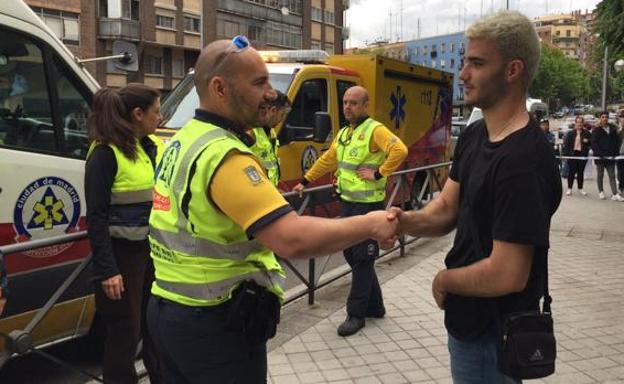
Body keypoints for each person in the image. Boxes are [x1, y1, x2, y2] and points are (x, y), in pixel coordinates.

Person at [146, 36, 398, 384]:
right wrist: (369, 223)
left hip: (169, 310)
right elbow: (291, 239)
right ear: (220, 88)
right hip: (214, 326)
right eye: (259, 82)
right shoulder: (224, 155)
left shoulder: (185, 138)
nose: (270, 94)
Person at [384, 11, 562, 383]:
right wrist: (401, 221)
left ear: (512, 71)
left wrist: (445, 280)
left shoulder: (523, 160)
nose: (463, 74)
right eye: (465, 62)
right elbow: (448, 207)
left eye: (477, 63)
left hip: (495, 335)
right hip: (466, 325)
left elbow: (508, 273)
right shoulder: (476, 134)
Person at [292, 85, 408, 337]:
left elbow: (400, 149)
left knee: (362, 258)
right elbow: (328, 160)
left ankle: (356, 315)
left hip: (368, 207)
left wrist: (378, 172)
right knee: (355, 257)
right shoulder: (345, 133)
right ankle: (375, 307)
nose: (348, 107)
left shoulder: (374, 130)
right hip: (348, 203)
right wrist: (305, 180)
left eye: (354, 103)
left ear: (365, 106)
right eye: (345, 102)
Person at [85, 84, 164, 384]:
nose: (161, 117)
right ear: (138, 114)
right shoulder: (105, 154)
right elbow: (96, 217)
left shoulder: (143, 147)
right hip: (121, 258)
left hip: (148, 252)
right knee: (124, 335)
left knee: (154, 326)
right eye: (156, 111)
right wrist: (108, 271)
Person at [250, 89, 291, 186]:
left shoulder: (271, 132)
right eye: (282, 115)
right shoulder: (250, 132)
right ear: (273, 111)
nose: (282, 120)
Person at [591, 111, 623, 201]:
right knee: (600, 175)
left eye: (606, 117)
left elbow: (617, 142)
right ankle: (601, 192)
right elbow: (594, 144)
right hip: (600, 157)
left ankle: (615, 194)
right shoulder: (596, 130)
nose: (605, 118)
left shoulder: (612, 128)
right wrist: (600, 154)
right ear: (600, 118)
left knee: (612, 176)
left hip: (610, 157)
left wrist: (616, 153)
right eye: (603, 117)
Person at [563, 115, 591, 196]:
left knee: (580, 172)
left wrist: (587, 142)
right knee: (571, 172)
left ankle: (580, 188)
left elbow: (591, 143)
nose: (579, 124)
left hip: (582, 155)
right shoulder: (570, 133)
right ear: (575, 123)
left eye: (581, 122)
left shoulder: (587, 133)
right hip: (572, 154)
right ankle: (569, 189)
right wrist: (565, 156)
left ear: (583, 123)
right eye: (578, 122)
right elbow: (566, 145)